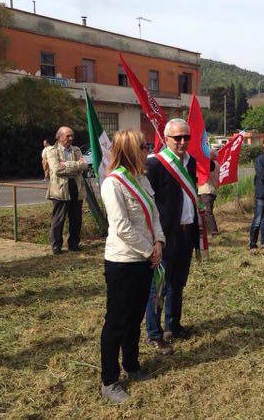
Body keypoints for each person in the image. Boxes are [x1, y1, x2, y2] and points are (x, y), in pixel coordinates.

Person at [99, 130, 165, 403]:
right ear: (128, 150)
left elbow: (154, 213)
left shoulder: (142, 178)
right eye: (143, 145)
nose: (147, 149)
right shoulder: (113, 184)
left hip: (145, 259)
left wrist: (159, 241)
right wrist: (149, 249)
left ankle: (132, 365)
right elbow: (122, 227)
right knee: (117, 320)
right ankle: (110, 379)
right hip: (124, 262)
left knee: (136, 316)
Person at [145, 119, 200, 354]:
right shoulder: (155, 164)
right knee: (158, 287)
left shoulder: (191, 161)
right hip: (165, 235)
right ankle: (154, 334)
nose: (182, 142)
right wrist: (154, 237)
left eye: (186, 137)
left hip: (186, 232)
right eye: (177, 138)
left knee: (178, 284)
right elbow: (148, 203)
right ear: (166, 139)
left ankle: (173, 326)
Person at [46, 127, 88, 254]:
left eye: (72, 136)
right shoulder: (51, 151)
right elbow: (57, 169)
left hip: (75, 186)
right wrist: (76, 165)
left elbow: (85, 165)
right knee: (58, 219)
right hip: (60, 189)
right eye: (68, 136)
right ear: (58, 137)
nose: (71, 138)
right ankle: (56, 246)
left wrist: (66, 164)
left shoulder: (76, 150)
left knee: (76, 218)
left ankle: (74, 244)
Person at [197, 149, 220, 235]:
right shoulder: (216, 164)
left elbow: (204, 164)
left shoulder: (211, 164)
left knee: (207, 212)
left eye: (208, 154)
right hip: (209, 190)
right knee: (205, 212)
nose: (207, 155)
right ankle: (206, 230)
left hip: (207, 190)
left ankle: (214, 231)